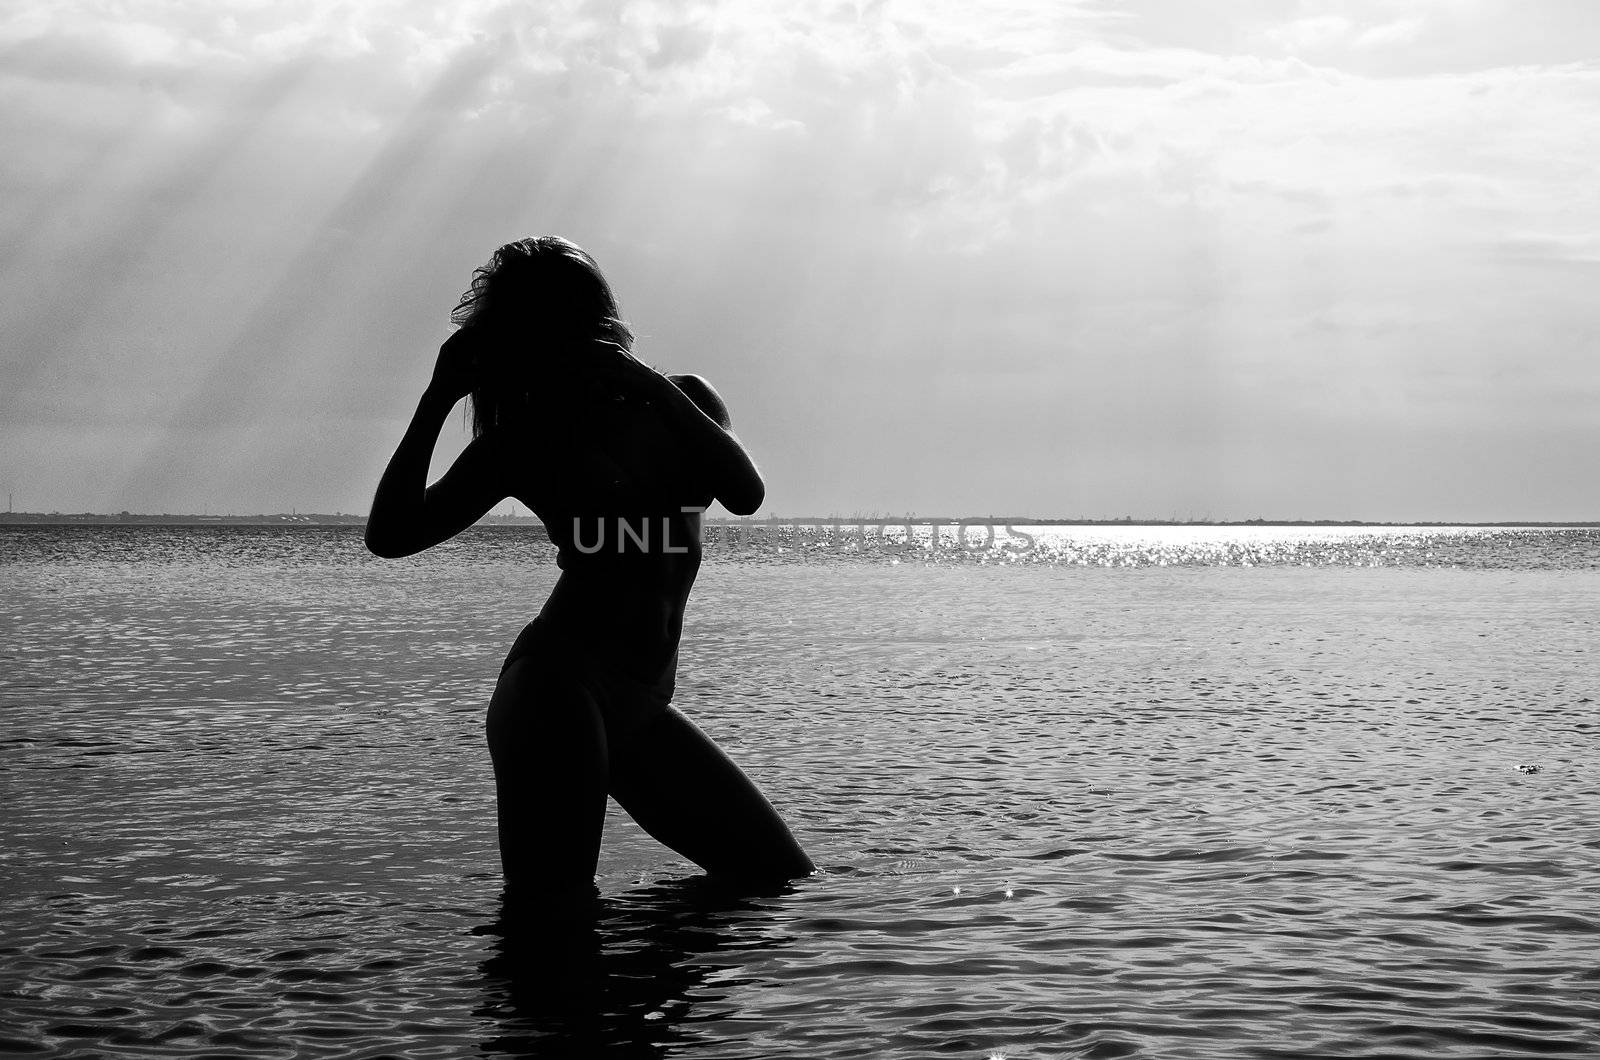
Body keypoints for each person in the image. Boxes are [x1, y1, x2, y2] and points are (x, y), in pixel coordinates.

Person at [366, 236, 813, 900]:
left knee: (773, 876)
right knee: (554, 914)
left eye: (585, 308)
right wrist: (438, 398)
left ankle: (631, 992)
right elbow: (393, 535)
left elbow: (745, 494)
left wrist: (647, 382)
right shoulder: (526, 436)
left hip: (639, 699)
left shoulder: (679, 400)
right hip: (557, 687)